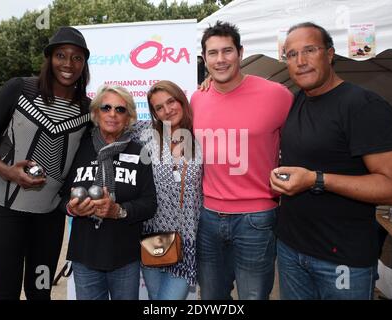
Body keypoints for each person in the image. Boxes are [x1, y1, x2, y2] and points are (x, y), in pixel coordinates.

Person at [270, 22, 392, 300]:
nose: (300, 61)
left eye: (310, 50)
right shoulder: (297, 100)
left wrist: (316, 179)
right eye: (292, 54)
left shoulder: (362, 105)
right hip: (290, 250)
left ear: (330, 54)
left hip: (341, 258)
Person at [0, 26, 92, 300]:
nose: (68, 63)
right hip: (3, 213)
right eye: (61, 55)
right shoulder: (19, 89)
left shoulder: (87, 110)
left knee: (40, 291)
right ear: (49, 59)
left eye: (77, 58)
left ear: (84, 64)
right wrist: (9, 173)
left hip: (49, 220)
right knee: (4, 293)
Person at [191, 21, 293, 300]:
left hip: (257, 218)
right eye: (213, 53)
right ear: (204, 58)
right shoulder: (197, 98)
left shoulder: (276, 95)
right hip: (207, 216)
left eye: (227, 51)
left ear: (241, 53)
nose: (220, 59)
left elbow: (301, 144)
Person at [61, 84, 157, 300]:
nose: (113, 114)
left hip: (124, 256)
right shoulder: (78, 148)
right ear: (96, 113)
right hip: (85, 254)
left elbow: (150, 204)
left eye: (120, 109)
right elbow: (59, 196)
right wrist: (72, 208)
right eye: (106, 108)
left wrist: (118, 210)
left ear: (129, 117)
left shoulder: (140, 151)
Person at [132, 80, 203, 300]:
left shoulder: (201, 133)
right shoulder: (144, 132)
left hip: (186, 240)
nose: (167, 110)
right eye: (159, 107)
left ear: (181, 99)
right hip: (150, 237)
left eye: (171, 101)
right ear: (153, 113)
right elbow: (110, 124)